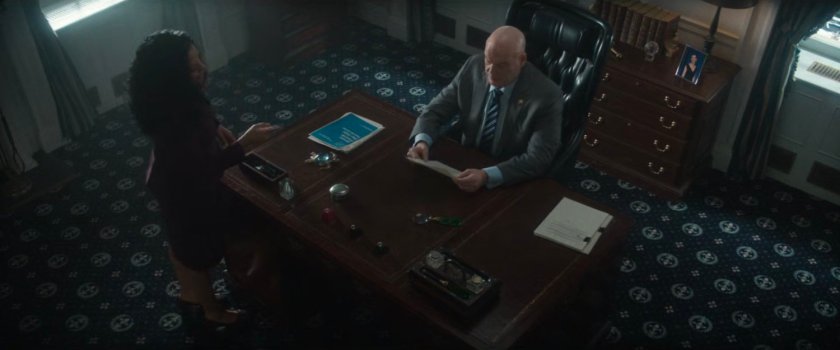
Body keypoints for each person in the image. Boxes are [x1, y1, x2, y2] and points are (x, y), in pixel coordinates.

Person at [128, 30, 278, 331]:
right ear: (172, 77)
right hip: (184, 192)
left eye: (200, 61)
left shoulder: (175, 98)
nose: (203, 70)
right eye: (192, 68)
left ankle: (195, 293)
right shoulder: (175, 126)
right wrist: (243, 145)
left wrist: (216, 126)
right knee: (196, 251)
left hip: (177, 179)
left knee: (183, 243)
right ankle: (210, 310)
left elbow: (201, 113)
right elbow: (204, 171)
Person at [406, 26, 564, 192]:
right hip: (467, 158)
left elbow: (538, 158)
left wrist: (487, 176)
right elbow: (434, 111)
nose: (491, 72)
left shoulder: (548, 96)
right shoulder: (473, 66)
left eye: (502, 65)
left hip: (508, 175)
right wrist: (422, 142)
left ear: (522, 60)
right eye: (488, 60)